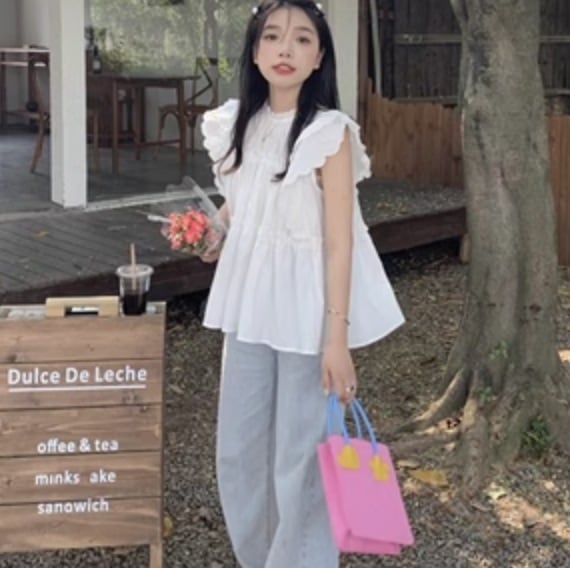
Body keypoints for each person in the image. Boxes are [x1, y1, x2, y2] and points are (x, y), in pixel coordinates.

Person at [200, 1, 404, 566]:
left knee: (301, 456)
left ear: (319, 59)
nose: (285, 49)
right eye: (272, 36)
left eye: (302, 39)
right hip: (248, 306)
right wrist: (212, 229)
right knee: (238, 452)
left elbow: (339, 242)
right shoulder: (238, 123)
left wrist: (337, 340)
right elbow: (243, 201)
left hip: (306, 312)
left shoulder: (328, 133)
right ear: (255, 51)